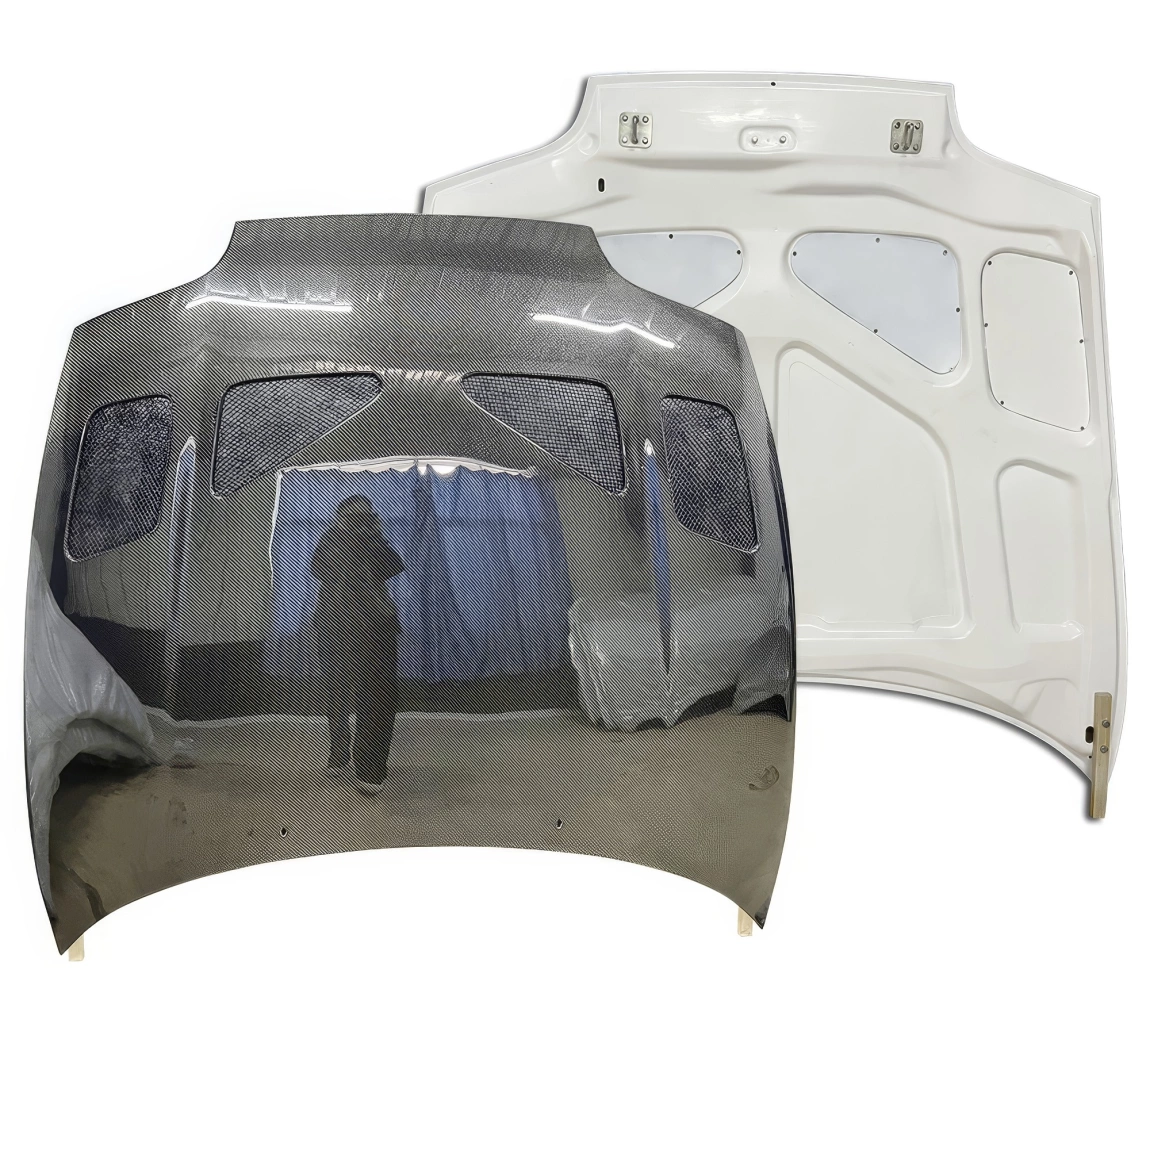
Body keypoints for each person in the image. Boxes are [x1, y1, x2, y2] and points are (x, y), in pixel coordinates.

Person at [311, 495, 405, 795]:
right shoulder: (331, 539)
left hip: (377, 625)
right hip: (335, 625)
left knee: (379, 696)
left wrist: (374, 535)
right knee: (336, 690)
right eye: (354, 517)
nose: (360, 522)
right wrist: (344, 534)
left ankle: (371, 768)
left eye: (367, 516)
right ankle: (339, 751)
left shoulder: (376, 541)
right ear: (340, 518)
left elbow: (394, 566)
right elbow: (320, 569)